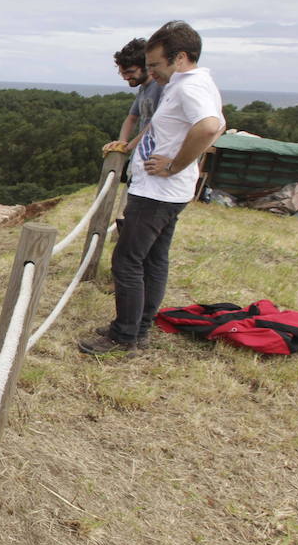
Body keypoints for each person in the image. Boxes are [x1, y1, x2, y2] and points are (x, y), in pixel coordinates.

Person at [79, 20, 224, 355]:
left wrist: (175, 165)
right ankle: (139, 328)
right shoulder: (191, 82)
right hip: (166, 191)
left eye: (156, 64)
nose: (151, 71)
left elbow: (209, 127)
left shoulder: (188, 87)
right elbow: (213, 124)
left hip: (157, 193)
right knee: (154, 260)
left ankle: (124, 336)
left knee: (127, 261)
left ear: (180, 57)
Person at [102, 37, 164, 155]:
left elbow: (157, 123)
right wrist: (121, 143)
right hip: (143, 154)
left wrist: (129, 146)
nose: (125, 77)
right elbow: (132, 118)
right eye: (122, 73)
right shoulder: (143, 88)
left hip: (157, 155)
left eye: (130, 72)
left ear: (146, 67)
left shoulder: (160, 86)